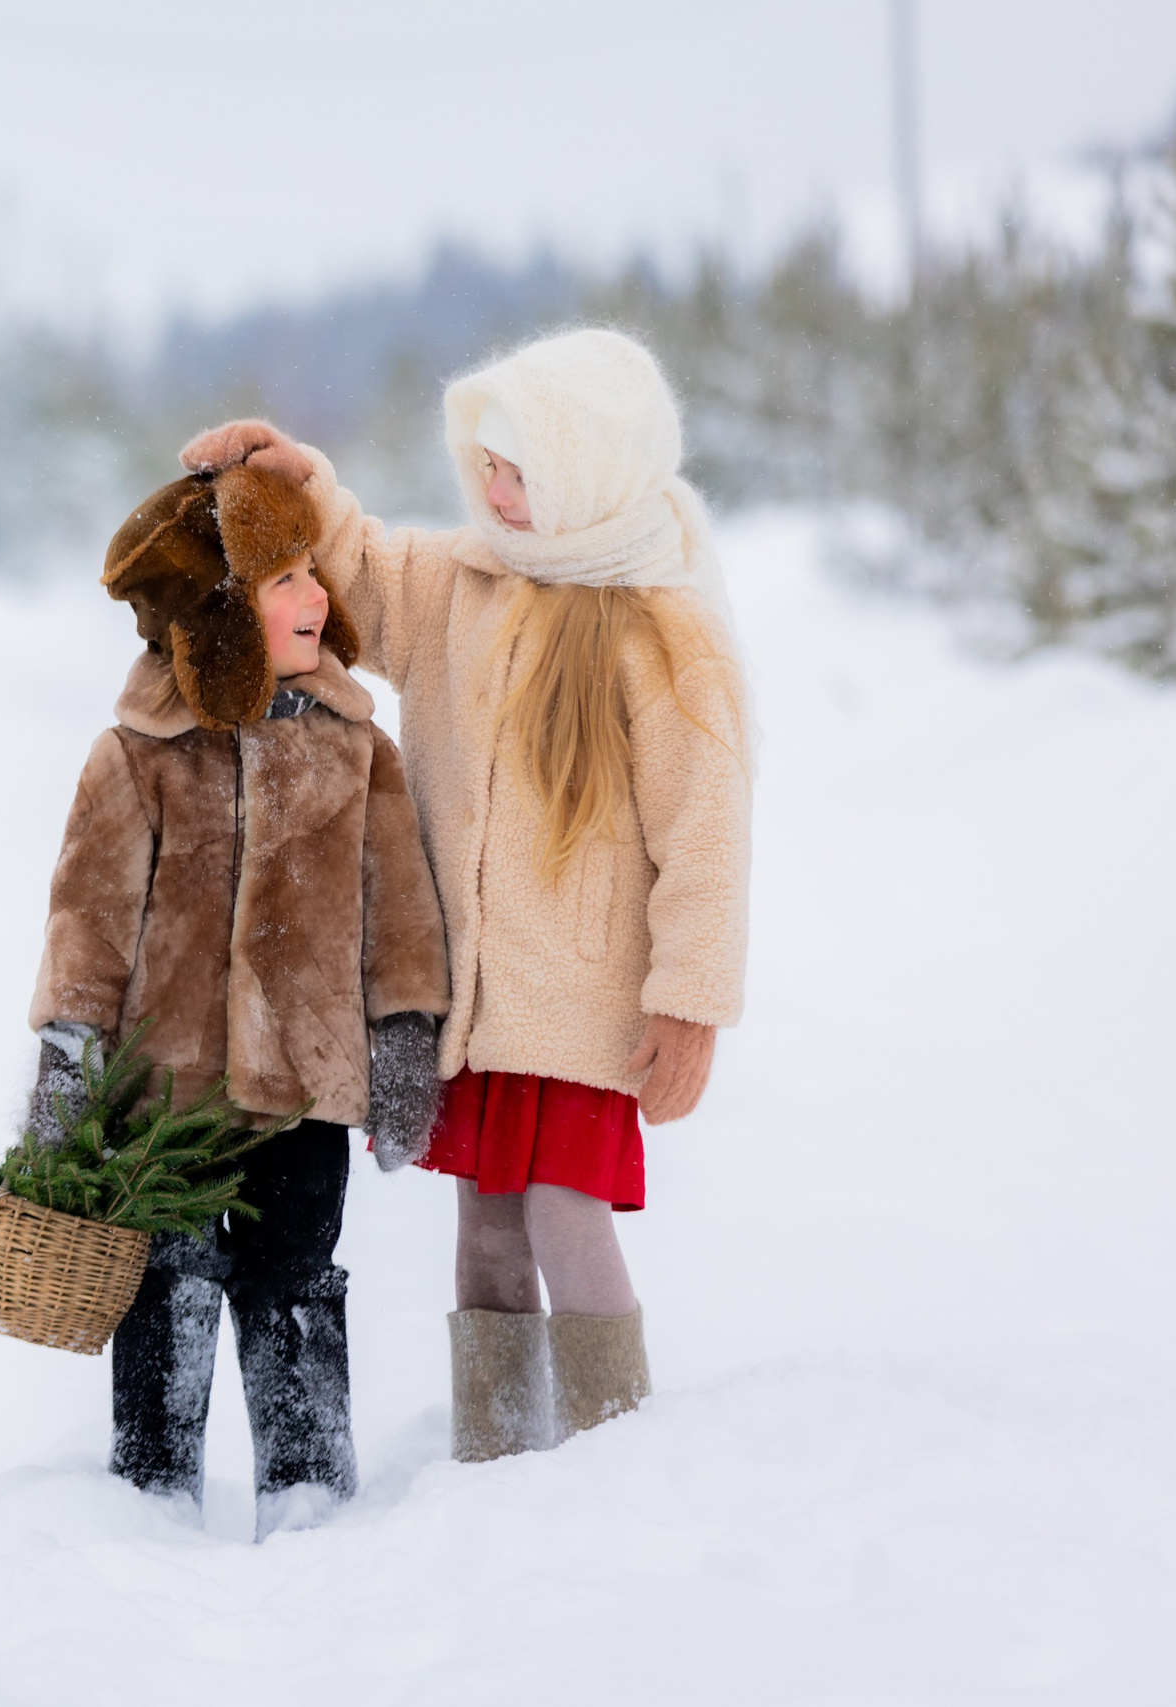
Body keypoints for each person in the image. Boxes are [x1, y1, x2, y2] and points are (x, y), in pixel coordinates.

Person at [179, 327, 752, 1463]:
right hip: (476, 1004)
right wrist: (295, 476)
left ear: (586, 472)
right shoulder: (461, 586)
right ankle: (497, 1455)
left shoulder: (661, 631)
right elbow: (364, 565)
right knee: (487, 1230)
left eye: (519, 469)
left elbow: (706, 833)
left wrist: (689, 999)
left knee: (560, 1213)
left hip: (585, 1006)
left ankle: (614, 1447)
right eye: (483, 463)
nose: (490, 488)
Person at [26, 454, 451, 1536]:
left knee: (295, 1276)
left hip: (304, 1089)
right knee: (166, 1277)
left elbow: (397, 912)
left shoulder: (358, 750)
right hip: (163, 1096)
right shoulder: (137, 756)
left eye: (316, 576)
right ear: (219, 612)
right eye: (283, 583)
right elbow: (88, 920)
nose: (318, 600)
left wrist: (404, 1032)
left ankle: (307, 1492)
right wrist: (66, 1054)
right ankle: (153, 1492)